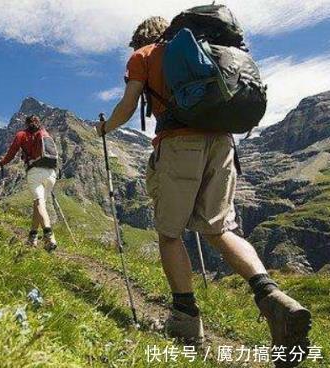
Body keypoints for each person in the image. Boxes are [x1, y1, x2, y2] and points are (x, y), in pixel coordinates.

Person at [95, 16, 311, 362]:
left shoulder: (144, 56)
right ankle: (272, 296)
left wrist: (105, 128)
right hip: (224, 145)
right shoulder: (205, 50)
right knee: (220, 228)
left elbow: (128, 105)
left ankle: (185, 321)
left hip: (180, 144)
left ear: (139, 39)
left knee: (169, 233)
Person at [0, 115, 58, 252]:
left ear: (26, 124)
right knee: (38, 205)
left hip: (34, 172)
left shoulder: (22, 135)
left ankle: (49, 237)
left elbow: (12, 152)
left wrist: (2, 162)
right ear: (39, 123)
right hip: (51, 173)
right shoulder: (44, 133)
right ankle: (32, 238)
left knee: (39, 203)